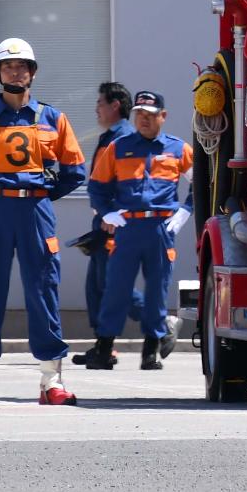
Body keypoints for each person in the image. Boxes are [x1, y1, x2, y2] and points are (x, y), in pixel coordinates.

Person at [0, 38, 88, 407]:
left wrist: (42, 193)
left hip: (36, 212)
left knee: (44, 290)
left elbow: (74, 169)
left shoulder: (52, 118)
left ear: (33, 73)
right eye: (8, 67)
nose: (15, 71)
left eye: (23, 66)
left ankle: (50, 380)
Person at [85, 91, 193, 372]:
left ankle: (151, 351)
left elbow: (202, 183)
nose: (143, 120)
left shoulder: (178, 149)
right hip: (128, 227)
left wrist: (184, 213)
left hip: (160, 227)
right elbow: (97, 185)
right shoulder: (119, 147)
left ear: (163, 116)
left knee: (157, 289)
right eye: (139, 114)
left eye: (150, 114)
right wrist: (107, 212)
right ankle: (104, 347)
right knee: (115, 289)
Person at [73, 81, 143, 366]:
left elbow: (130, 184)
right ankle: (104, 348)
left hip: (115, 225)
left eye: (100, 103)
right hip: (103, 223)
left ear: (115, 106)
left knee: (114, 286)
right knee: (97, 287)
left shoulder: (123, 139)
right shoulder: (109, 138)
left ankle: (162, 322)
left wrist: (116, 217)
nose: (96, 109)